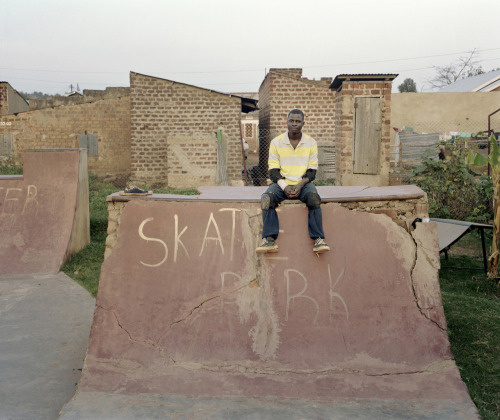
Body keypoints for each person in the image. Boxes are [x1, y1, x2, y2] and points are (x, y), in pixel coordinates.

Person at [256, 109, 330, 254]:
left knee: (314, 198)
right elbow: (273, 171)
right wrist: (284, 187)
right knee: (266, 199)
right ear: (287, 122)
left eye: (298, 121)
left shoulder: (311, 142)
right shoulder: (276, 142)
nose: (294, 124)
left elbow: (312, 171)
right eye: (291, 121)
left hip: (303, 184)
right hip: (281, 183)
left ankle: (318, 240)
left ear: (303, 123)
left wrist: (299, 185)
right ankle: (269, 240)